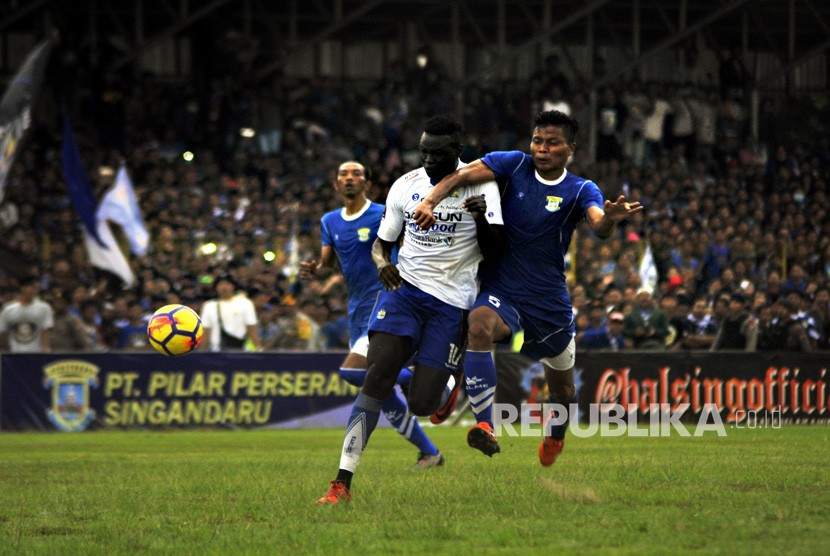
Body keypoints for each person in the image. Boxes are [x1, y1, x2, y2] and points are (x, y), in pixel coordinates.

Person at [412, 110, 642, 467]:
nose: (542, 148)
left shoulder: (581, 188)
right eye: (537, 140)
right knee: (479, 324)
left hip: (549, 302)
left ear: (570, 149)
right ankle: (486, 424)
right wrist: (429, 201)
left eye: (552, 143)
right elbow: (460, 175)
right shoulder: (513, 165)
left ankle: (556, 434)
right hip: (504, 288)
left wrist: (610, 218)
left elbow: (599, 223)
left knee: (563, 391)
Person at [317, 114, 503, 504]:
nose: (429, 160)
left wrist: (479, 218)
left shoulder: (483, 183)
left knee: (421, 404)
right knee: (376, 376)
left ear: (457, 152)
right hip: (404, 293)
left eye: (438, 154)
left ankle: (447, 387)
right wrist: (384, 265)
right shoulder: (406, 185)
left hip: (451, 305)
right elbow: (381, 244)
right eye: (423, 152)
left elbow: (497, 251)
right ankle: (341, 483)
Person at [300, 160, 446, 472]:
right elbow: (329, 261)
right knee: (379, 391)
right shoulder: (329, 221)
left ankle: (422, 381)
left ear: (367, 183)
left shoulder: (382, 211)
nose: (349, 178)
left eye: (356, 174)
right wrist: (315, 268)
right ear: (336, 184)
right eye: (343, 174)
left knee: (351, 373)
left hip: (387, 302)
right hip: (357, 312)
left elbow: (405, 243)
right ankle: (430, 452)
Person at [199, 273, 262, 351]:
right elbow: (206, 332)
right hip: (216, 352)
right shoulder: (209, 306)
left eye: (227, 284)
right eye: (221, 284)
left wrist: (259, 349)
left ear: (233, 286)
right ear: (216, 287)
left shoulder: (245, 303)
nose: (224, 287)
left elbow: (252, 329)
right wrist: (201, 353)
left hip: (241, 351)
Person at [0, 276, 54, 353]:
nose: (34, 291)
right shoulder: (8, 309)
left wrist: (44, 355)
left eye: (36, 288)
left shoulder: (44, 308)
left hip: (36, 355)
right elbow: (2, 334)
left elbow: (45, 334)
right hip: (14, 356)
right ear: (23, 288)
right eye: (32, 287)